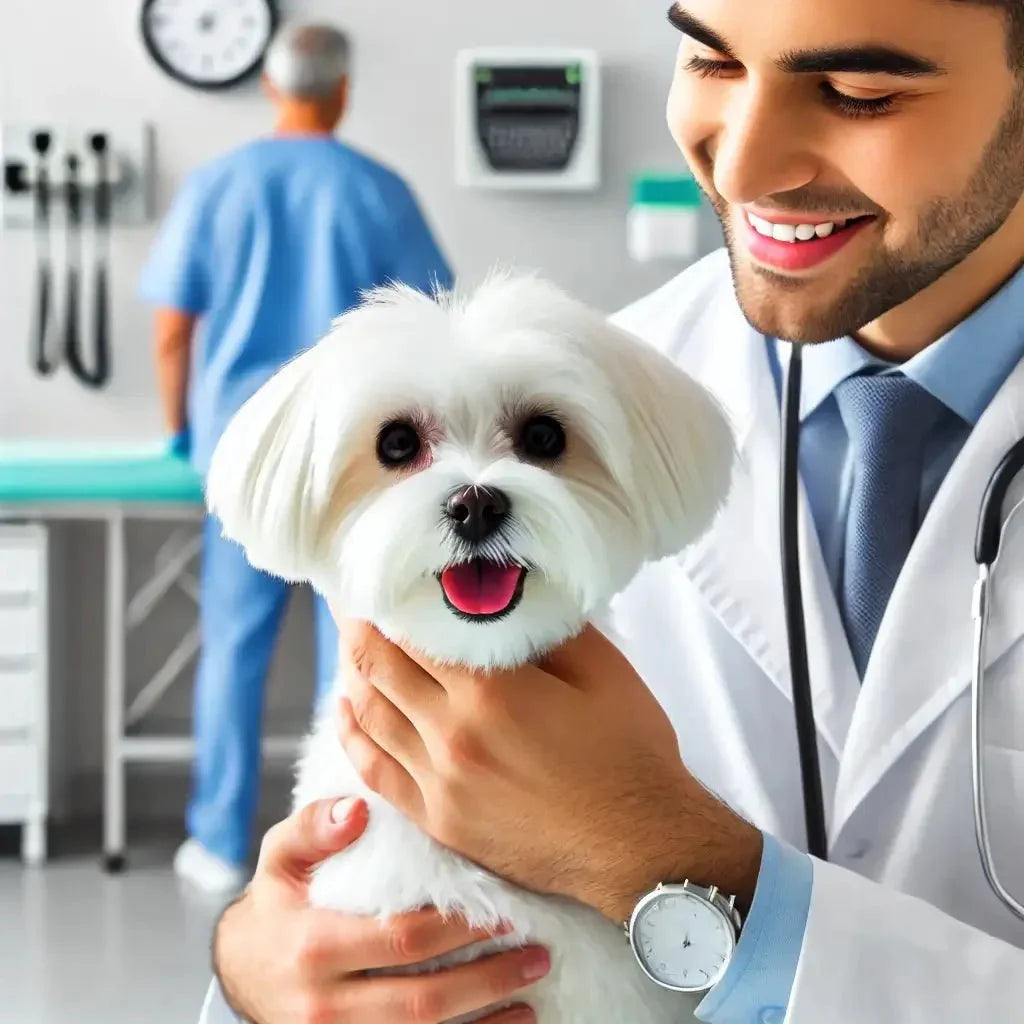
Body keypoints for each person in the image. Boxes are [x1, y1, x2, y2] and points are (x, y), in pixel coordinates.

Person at [201, 0, 1024, 1020]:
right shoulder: (616, 386)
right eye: (711, 63)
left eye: (860, 93)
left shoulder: (611, 421)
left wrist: (663, 855)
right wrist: (256, 968)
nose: (743, 167)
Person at [138, 22, 454, 896]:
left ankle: (212, 843)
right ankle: (349, 835)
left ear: (271, 86)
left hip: (240, 457)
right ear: (342, 90)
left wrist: (184, 429)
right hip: (361, 468)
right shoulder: (379, 191)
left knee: (232, 647)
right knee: (357, 654)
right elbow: (433, 330)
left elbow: (172, 330)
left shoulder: (218, 185)